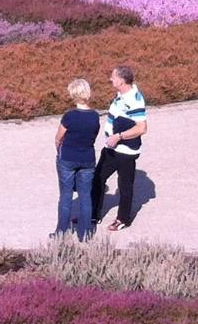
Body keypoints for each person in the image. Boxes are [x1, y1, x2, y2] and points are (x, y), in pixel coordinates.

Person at [93, 64, 148, 231]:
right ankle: (93, 214)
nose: (111, 79)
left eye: (113, 76)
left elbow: (142, 128)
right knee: (97, 179)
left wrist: (119, 136)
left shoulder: (134, 100)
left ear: (122, 80)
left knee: (125, 186)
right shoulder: (121, 95)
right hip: (111, 148)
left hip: (125, 151)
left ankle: (123, 219)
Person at [54, 78, 101, 240]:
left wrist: (59, 151)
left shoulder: (69, 116)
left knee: (66, 195)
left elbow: (58, 138)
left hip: (68, 158)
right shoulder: (95, 116)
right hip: (87, 158)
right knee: (85, 196)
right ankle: (85, 234)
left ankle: (61, 232)